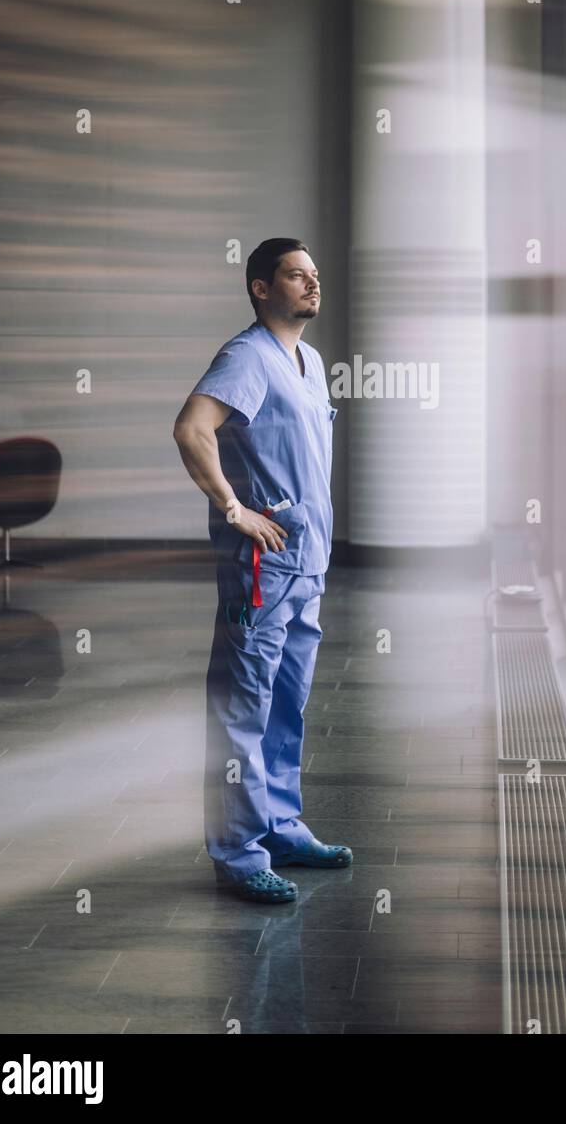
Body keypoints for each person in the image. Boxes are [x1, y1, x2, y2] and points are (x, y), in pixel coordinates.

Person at [173, 238, 352, 903]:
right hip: (263, 566)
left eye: (314, 275)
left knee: (285, 706)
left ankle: (279, 825)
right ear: (259, 287)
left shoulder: (307, 360)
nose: (311, 285)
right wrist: (232, 507)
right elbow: (192, 428)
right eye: (295, 275)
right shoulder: (246, 357)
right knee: (242, 708)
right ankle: (238, 852)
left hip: (307, 566)